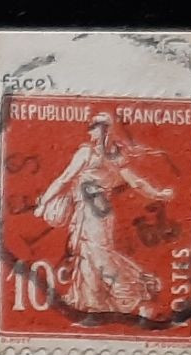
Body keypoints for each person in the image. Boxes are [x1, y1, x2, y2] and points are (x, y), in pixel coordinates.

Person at [34, 112, 175, 321]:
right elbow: (65, 179)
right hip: (86, 212)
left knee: (99, 255)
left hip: (99, 213)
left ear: (106, 129)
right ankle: (93, 306)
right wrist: (45, 201)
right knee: (86, 255)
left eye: (99, 127)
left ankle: (136, 292)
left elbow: (135, 181)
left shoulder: (111, 156)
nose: (95, 131)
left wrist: (157, 194)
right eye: (94, 127)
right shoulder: (89, 153)